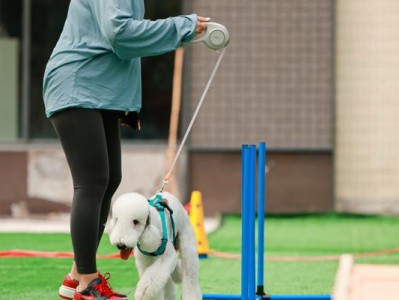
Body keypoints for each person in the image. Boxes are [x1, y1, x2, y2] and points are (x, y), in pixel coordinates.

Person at [42, 1, 209, 299]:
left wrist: (126, 103)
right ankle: (88, 282)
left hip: (98, 90)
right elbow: (119, 34)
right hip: (77, 84)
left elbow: (114, 42)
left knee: (109, 178)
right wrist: (182, 26)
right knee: (91, 183)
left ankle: (75, 276)